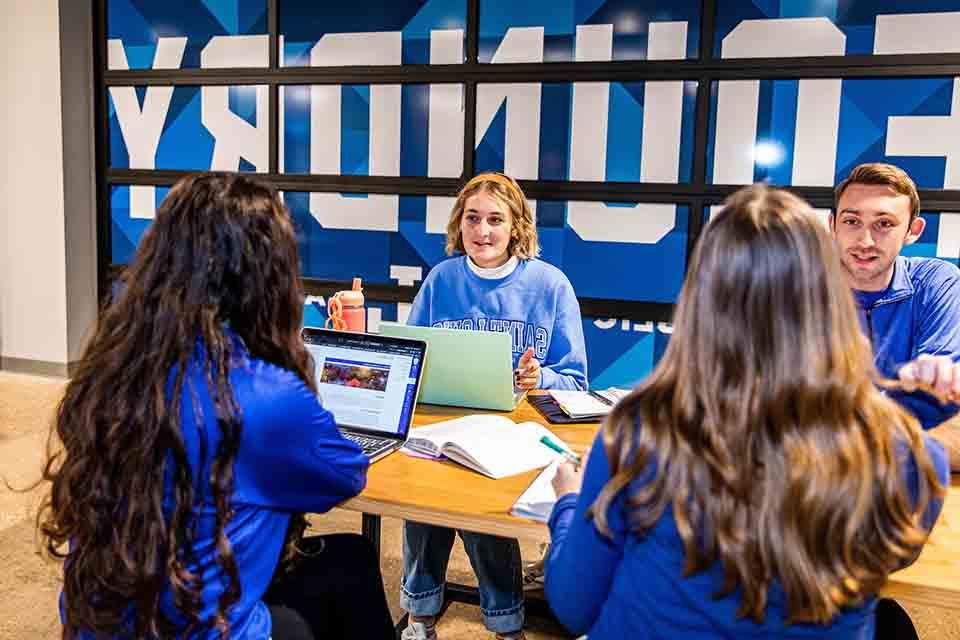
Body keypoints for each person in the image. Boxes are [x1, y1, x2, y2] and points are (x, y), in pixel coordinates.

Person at [544, 185, 949, 639]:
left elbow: (573, 606)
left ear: (702, 298)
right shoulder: (909, 454)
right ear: (829, 294)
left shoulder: (641, 429)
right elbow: (891, 557)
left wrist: (569, 501)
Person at [37, 174, 395, 639]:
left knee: (348, 560)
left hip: (102, 620)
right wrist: (293, 367)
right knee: (348, 572)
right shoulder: (266, 394)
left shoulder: (110, 370)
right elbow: (346, 475)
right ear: (269, 277)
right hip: (202, 629)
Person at [400, 172, 587, 640]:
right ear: (459, 224)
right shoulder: (441, 279)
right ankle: (420, 613)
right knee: (423, 499)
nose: (482, 232)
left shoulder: (551, 285)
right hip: (445, 424)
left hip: (514, 435)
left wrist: (537, 377)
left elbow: (577, 381)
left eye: (495, 220)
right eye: (473, 219)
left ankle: (506, 621)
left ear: (516, 226)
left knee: (482, 508)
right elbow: (413, 360)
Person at [831, 163, 960, 441]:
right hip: (887, 447)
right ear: (833, 225)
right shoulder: (800, 287)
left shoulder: (936, 280)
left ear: (913, 230)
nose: (865, 240)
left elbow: (937, 397)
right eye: (852, 221)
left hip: (838, 451)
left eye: (884, 224)